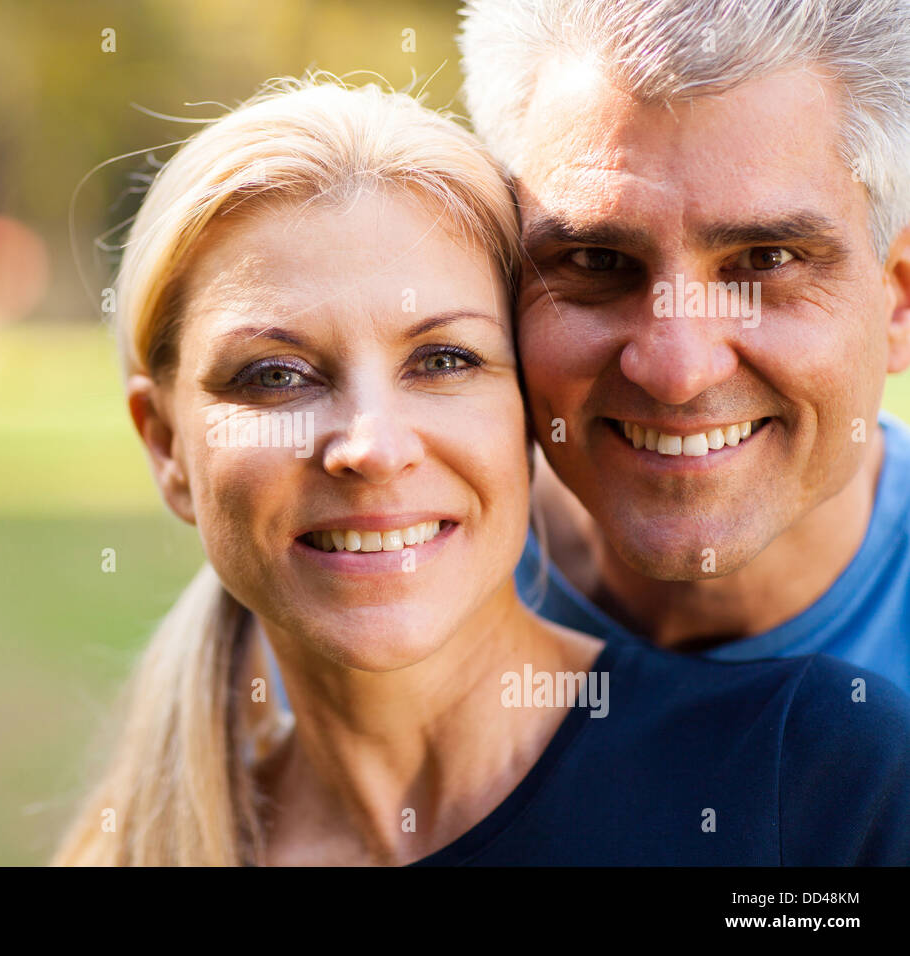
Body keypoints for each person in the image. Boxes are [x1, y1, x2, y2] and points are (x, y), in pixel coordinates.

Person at [51, 76, 910, 866]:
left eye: (443, 360)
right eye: (276, 376)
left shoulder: (813, 776)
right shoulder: (155, 842)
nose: (373, 446)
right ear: (165, 445)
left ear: (531, 404)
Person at [457, 0, 910, 693]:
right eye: (597, 260)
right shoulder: (361, 585)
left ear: (898, 301)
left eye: (767, 259)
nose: (677, 370)